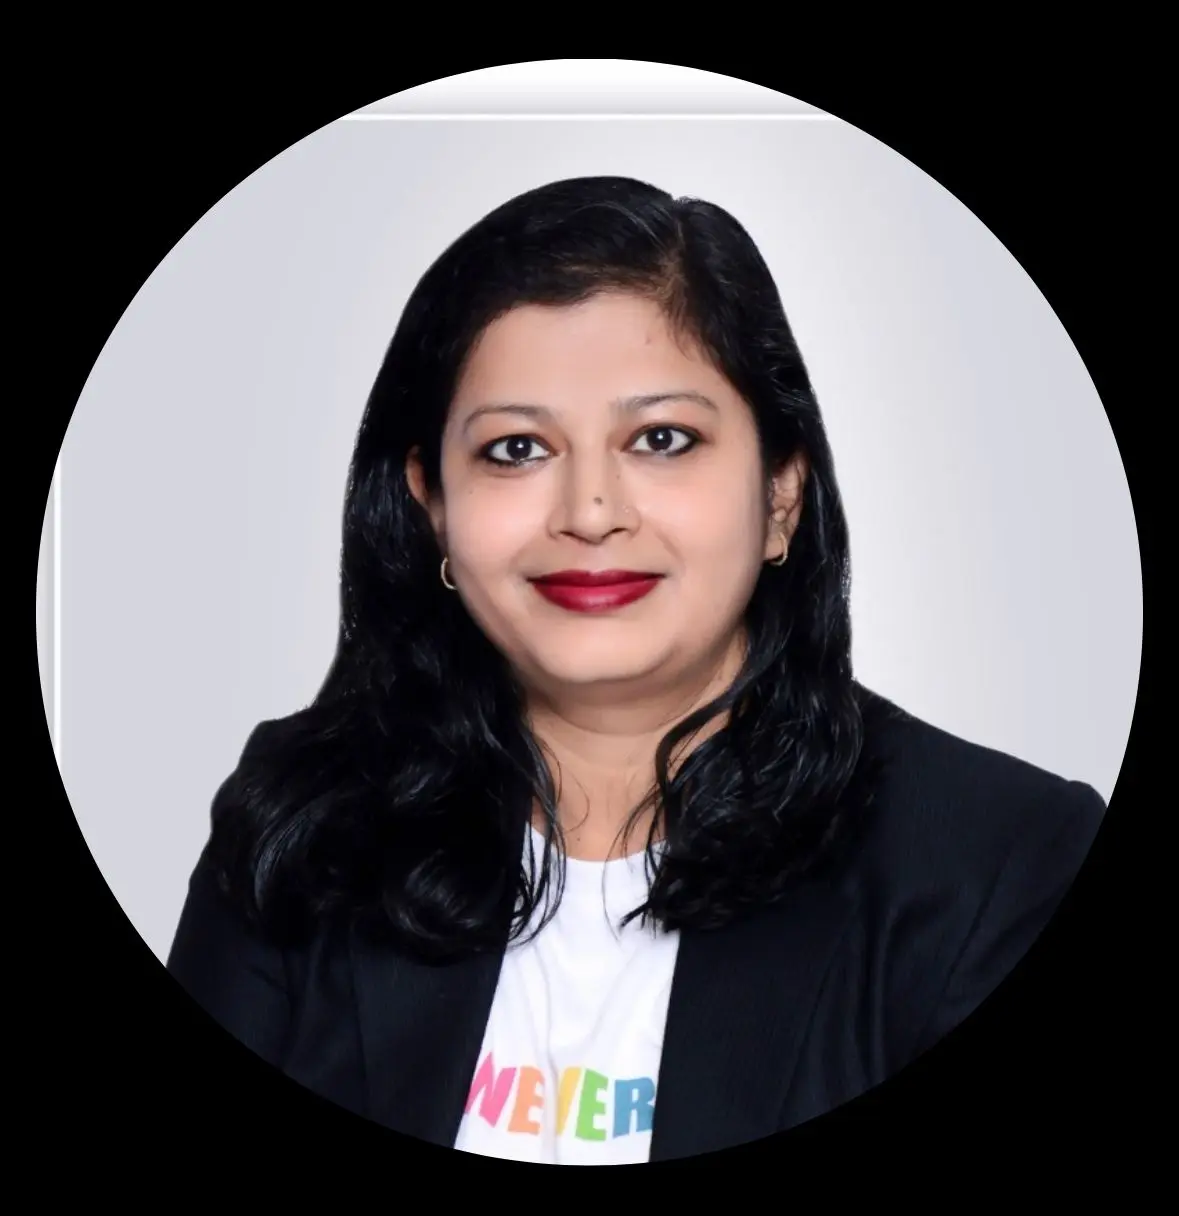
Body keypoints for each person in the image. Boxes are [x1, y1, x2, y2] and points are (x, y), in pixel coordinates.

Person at [166, 175, 1106, 1164]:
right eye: (516, 448)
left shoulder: (997, 864)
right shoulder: (301, 822)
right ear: (431, 504)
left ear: (781, 493)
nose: (590, 511)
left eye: (661, 439)